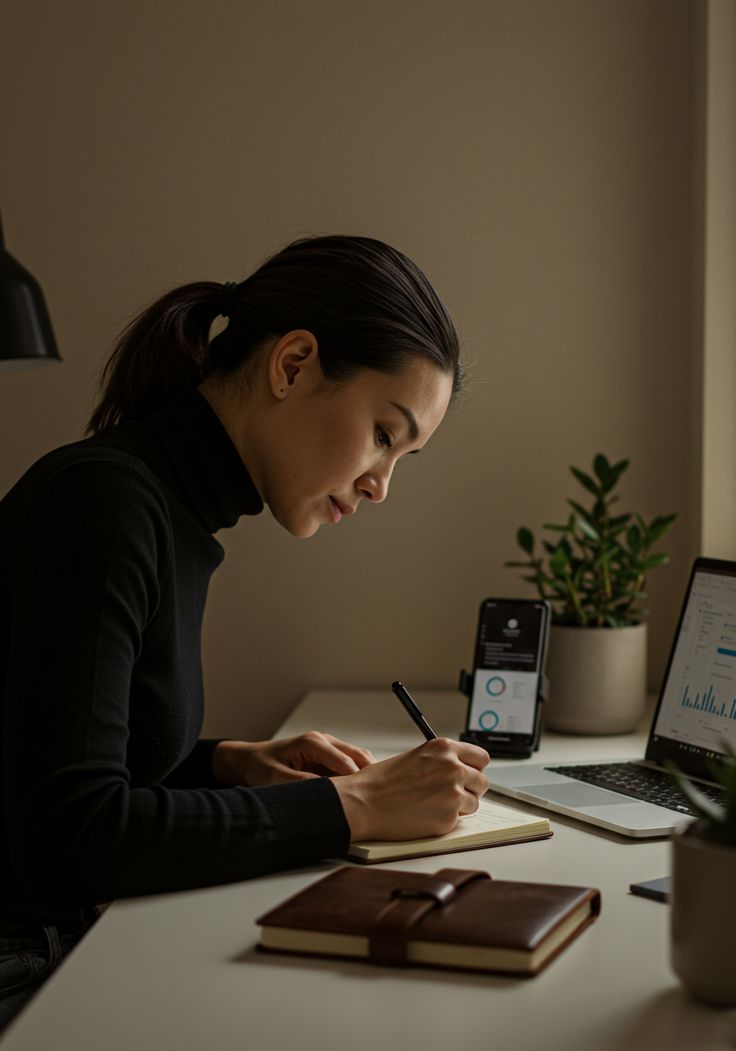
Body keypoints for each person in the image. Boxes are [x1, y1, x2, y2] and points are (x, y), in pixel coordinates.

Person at [0, 234, 490, 1030]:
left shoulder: (168, 507)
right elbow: (69, 838)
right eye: (382, 434)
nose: (380, 484)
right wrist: (353, 804)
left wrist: (228, 764)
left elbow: (57, 760)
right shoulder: (106, 505)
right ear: (293, 364)